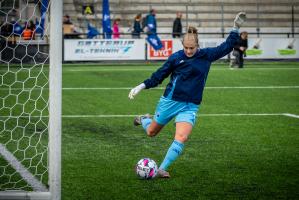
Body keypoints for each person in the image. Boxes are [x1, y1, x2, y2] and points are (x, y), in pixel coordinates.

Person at [128, 12, 246, 178]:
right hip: (170, 101)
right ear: (182, 45)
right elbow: (159, 75)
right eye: (186, 48)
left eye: (192, 48)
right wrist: (141, 85)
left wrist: (235, 28)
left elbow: (227, 46)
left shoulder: (207, 55)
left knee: (181, 137)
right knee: (152, 132)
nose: (189, 51)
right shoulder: (176, 58)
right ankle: (143, 119)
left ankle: (161, 169)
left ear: (198, 45)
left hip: (190, 105)